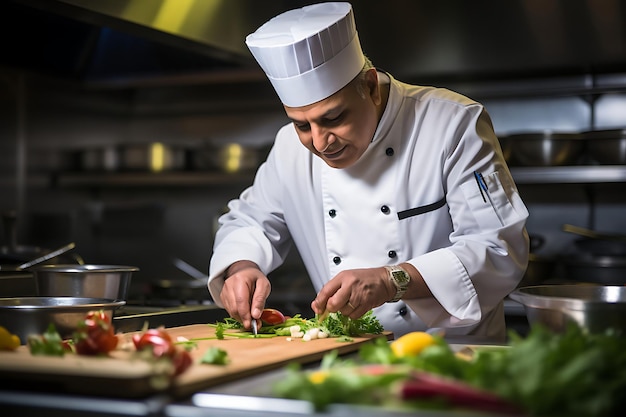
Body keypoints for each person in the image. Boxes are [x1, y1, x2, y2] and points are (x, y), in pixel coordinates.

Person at [207, 2, 529, 341]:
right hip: (346, 355)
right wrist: (241, 267)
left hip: (452, 356)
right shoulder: (289, 147)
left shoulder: (452, 123)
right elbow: (249, 220)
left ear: (371, 87)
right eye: (302, 124)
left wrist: (391, 280)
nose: (319, 142)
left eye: (333, 118)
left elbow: (498, 249)